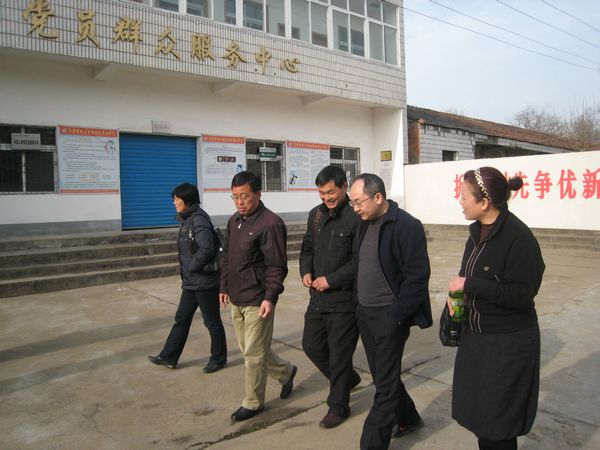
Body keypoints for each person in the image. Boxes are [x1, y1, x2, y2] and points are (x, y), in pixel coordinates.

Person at [448, 167, 545, 450]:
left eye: (464, 195)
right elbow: (467, 274)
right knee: (482, 420)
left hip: (507, 344)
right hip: (477, 340)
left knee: (499, 426)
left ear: (484, 202)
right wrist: (456, 296)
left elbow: (521, 294)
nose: (460, 200)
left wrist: (470, 284)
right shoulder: (477, 232)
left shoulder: (519, 238)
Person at [349, 173, 432, 450]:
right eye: (352, 203)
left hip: (389, 316)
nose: (355, 208)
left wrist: (396, 315)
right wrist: (357, 304)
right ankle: (408, 418)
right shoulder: (363, 224)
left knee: (383, 389)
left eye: (359, 202)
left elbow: (417, 278)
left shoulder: (406, 226)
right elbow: (361, 266)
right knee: (384, 376)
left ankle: (372, 444)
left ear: (378, 197)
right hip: (365, 313)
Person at [219, 171, 297, 422]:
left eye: (244, 196)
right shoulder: (234, 221)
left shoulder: (270, 223)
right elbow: (227, 257)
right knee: (250, 350)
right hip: (237, 296)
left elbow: (276, 265)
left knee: (253, 354)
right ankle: (286, 372)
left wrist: (270, 297)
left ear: (258, 194)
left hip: (257, 298)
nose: (239, 202)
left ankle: (253, 402)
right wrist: (223, 286)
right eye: (235, 197)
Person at [300, 165, 361, 429]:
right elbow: (307, 247)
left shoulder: (356, 217)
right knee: (311, 345)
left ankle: (338, 406)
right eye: (322, 193)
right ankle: (347, 379)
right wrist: (306, 271)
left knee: (339, 356)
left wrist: (331, 280)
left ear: (345, 186)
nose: (327, 198)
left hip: (344, 301)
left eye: (331, 192)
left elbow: (359, 260)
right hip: (317, 298)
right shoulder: (316, 215)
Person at [148, 183, 227, 373]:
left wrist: (192, 267)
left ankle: (219, 358)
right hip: (192, 282)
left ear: (188, 200)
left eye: (177, 199)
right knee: (182, 318)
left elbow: (206, 249)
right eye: (174, 199)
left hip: (204, 281)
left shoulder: (199, 220)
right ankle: (169, 356)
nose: (174, 202)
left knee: (212, 321)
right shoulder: (188, 219)